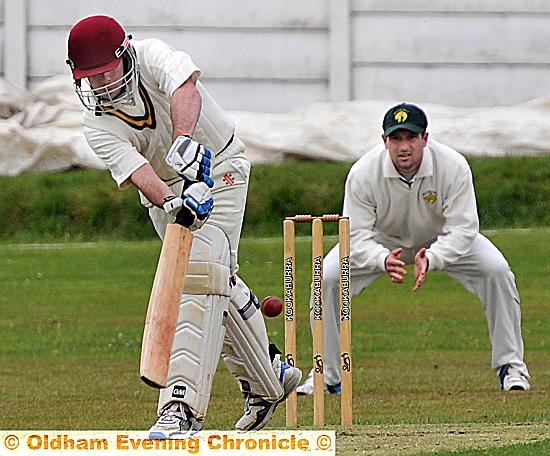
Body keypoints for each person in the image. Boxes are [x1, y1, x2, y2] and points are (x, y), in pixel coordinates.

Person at [66, 15, 301, 437]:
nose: (101, 86)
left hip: (220, 165)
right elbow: (139, 174)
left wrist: (184, 142)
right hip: (168, 196)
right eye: (91, 79)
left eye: (106, 73)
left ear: (125, 55)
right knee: (215, 281)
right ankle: (269, 379)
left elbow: (185, 88)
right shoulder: (96, 124)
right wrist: (175, 202)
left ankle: (180, 407)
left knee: (200, 272)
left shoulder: (153, 55)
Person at [296, 102, 530, 394]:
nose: (403, 147)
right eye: (396, 139)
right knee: (327, 279)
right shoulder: (363, 174)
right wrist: (381, 260)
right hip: (382, 241)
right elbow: (354, 235)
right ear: (384, 142)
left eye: (411, 138)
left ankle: (511, 366)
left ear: (425, 139)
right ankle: (326, 376)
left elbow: (463, 229)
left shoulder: (453, 166)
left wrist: (433, 258)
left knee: (497, 271)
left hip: (439, 238)